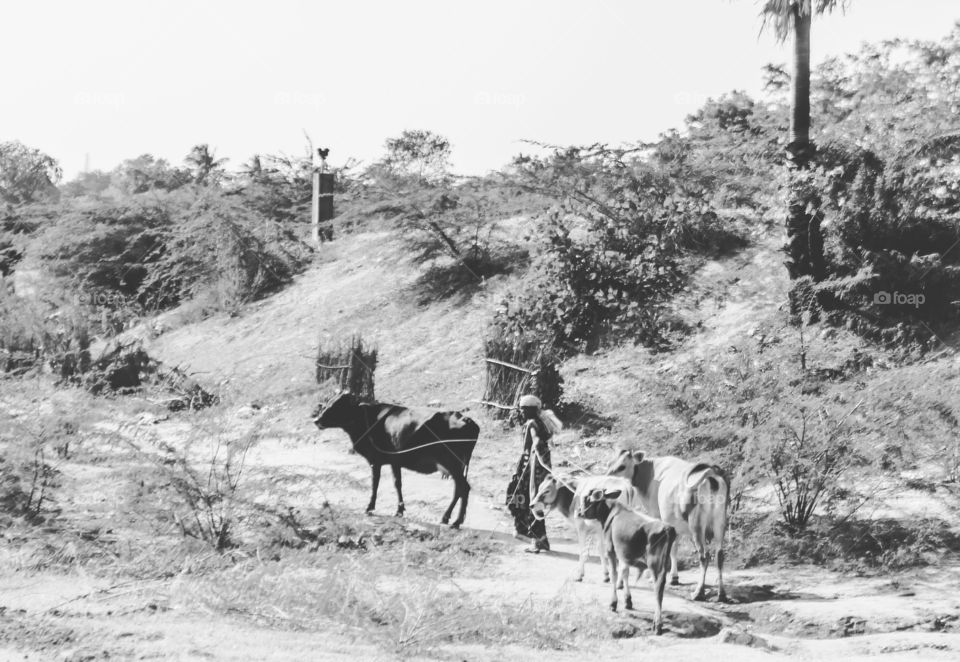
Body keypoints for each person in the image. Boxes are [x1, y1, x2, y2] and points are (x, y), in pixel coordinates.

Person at [505, 394, 562, 553]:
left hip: (533, 467)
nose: (521, 412)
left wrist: (533, 449)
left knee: (527, 500)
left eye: (524, 409)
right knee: (535, 501)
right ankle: (540, 540)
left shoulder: (531, 424)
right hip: (541, 467)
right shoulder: (542, 422)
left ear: (530, 410)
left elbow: (534, 440)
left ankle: (537, 540)